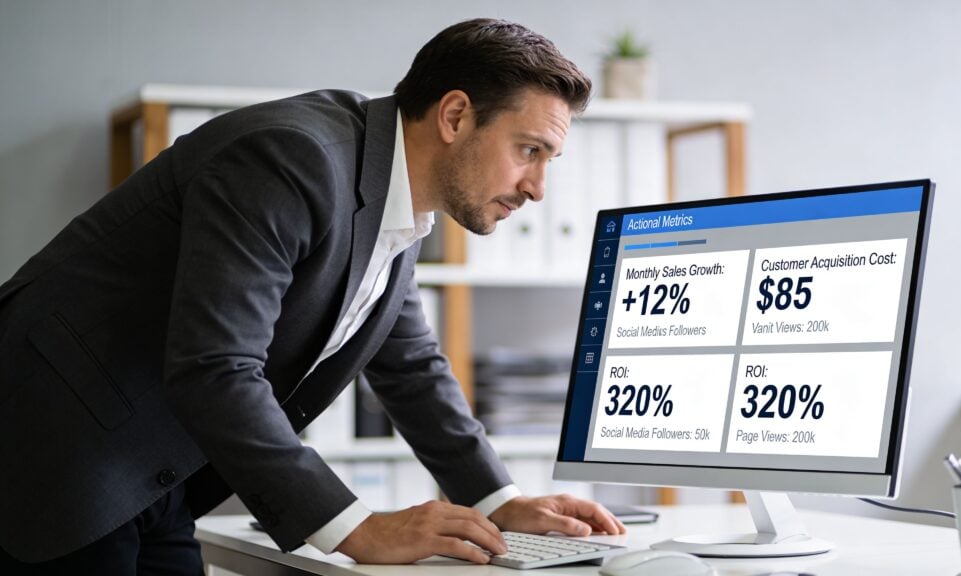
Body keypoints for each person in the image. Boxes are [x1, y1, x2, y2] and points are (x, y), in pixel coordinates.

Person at [0, 17, 626, 574]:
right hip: (52, 452)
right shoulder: (294, 159)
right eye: (530, 151)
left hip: (151, 468)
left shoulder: (395, 204)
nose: (539, 187)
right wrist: (358, 529)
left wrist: (500, 502)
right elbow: (215, 367)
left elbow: (410, 370)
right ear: (456, 116)